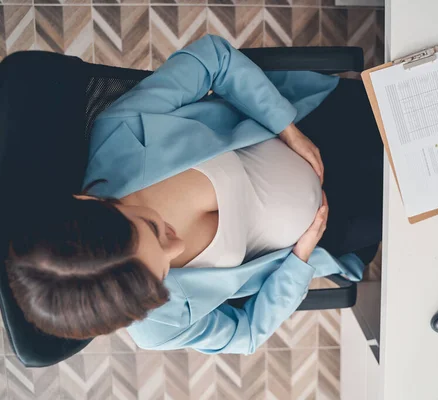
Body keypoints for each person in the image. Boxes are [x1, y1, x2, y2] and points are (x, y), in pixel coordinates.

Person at [5, 35, 383, 354]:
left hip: (314, 125)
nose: (175, 247)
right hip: (333, 229)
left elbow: (213, 58)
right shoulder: (157, 326)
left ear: (91, 203)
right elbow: (245, 333)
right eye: (163, 272)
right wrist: (300, 260)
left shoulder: (122, 131)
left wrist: (288, 130)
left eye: (153, 230)